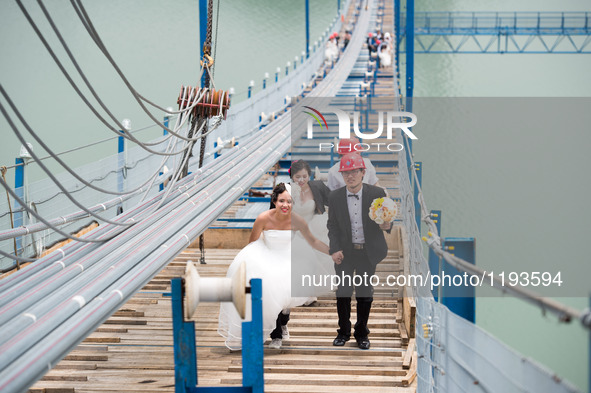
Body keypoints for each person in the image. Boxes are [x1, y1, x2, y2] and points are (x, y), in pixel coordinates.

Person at [218, 183, 329, 351]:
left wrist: (333, 252)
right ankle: (275, 334)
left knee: (285, 301)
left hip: (289, 258)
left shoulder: (297, 220)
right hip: (268, 256)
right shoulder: (263, 218)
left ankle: (284, 323)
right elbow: (252, 244)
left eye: (289, 202)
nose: (285, 205)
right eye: (281, 201)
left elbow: (312, 241)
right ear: (275, 201)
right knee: (269, 291)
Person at [327, 153, 392, 350]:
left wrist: (386, 224)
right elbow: (333, 227)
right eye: (346, 173)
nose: (350, 176)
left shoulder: (377, 193)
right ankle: (344, 332)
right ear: (342, 175)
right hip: (345, 252)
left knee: (364, 293)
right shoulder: (335, 197)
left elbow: (387, 222)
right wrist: (334, 249)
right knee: (343, 292)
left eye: (354, 171)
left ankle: (362, 333)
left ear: (363, 172)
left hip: (367, 252)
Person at [290, 160, 334, 302]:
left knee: (319, 259)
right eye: (297, 177)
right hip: (296, 232)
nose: (301, 180)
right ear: (292, 177)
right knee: (301, 260)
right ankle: (304, 293)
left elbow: (333, 201)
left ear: (309, 175)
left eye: (304, 176)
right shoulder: (286, 191)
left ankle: (312, 290)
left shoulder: (318, 186)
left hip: (316, 227)